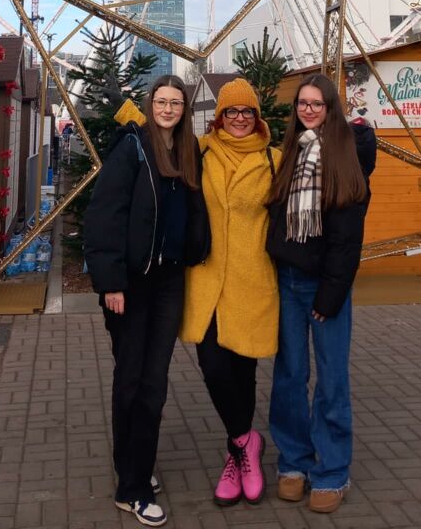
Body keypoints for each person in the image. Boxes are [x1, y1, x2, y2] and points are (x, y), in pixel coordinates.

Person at [116, 76, 281, 508]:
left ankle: (237, 455)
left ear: (257, 117)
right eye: (231, 111)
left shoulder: (275, 159)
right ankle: (245, 443)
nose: (239, 118)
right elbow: (158, 144)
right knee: (213, 367)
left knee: (243, 371)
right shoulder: (199, 152)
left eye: (247, 111)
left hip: (251, 282)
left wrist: (360, 145)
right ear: (219, 116)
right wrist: (127, 115)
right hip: (206, 281)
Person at [84, 75, 210, 528]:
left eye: (176, 102)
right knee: (132, 379)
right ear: (150, 104)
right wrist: (111, 283)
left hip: (169, 282)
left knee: (153, 381)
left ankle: (135, 467)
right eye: (161, 101)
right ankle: (132, 488)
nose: (168, 109)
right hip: (132, 285)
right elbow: (105, 215)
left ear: (184, 109)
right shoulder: (133, 148)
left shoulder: (188, 152)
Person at [265, 72, 376, 515]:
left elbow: (348, 239)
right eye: (302, 103)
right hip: (287, 280)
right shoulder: (291, 152)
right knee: (290, 377)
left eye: (316, 103)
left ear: (330, 108)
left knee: (331, 381)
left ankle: (331, 471)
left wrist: (330, 296)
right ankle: (294, 462)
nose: (308, 110)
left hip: (326, 286)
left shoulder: (345, 156)